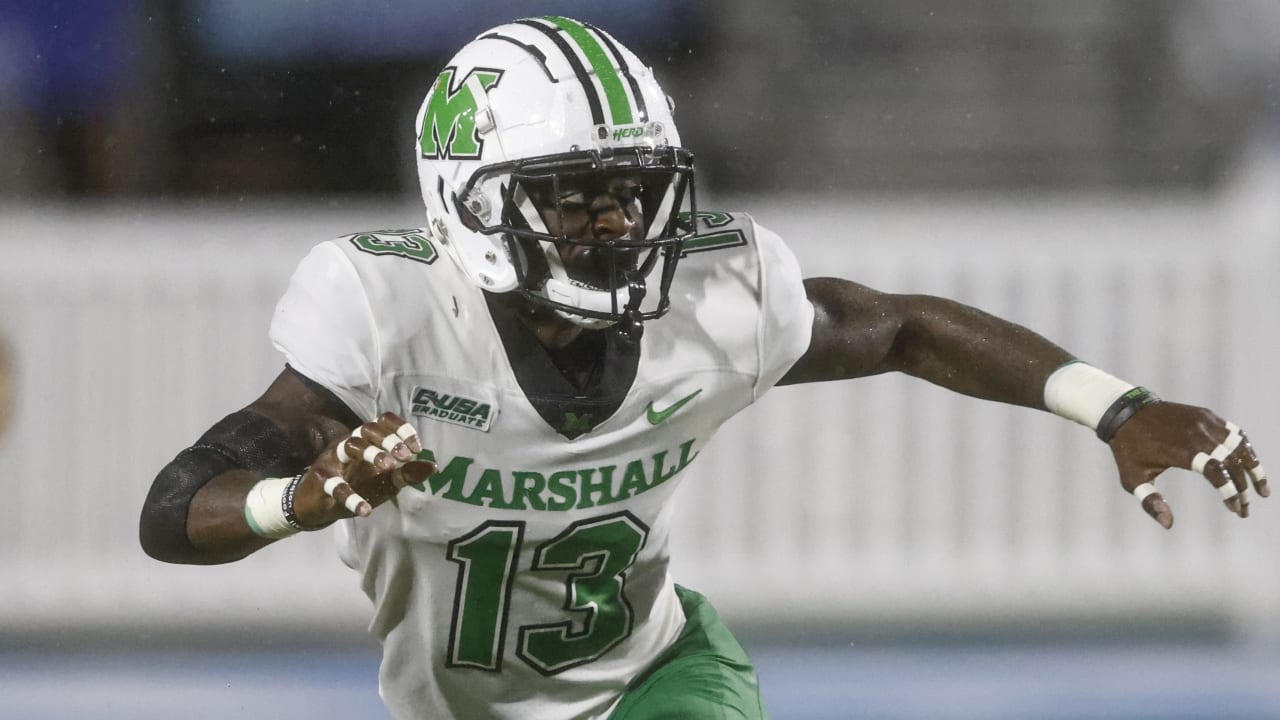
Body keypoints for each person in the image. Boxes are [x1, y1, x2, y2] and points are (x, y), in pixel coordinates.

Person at [139, 16, 1269, 720]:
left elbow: (900, 327)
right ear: (471, 204)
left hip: (658, 682)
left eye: (630, 192)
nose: (613, 225)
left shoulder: (712, 298)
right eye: (572, 197)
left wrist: (1111, 406)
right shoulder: (386, 313)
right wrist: (301, 500)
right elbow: (173, 508)